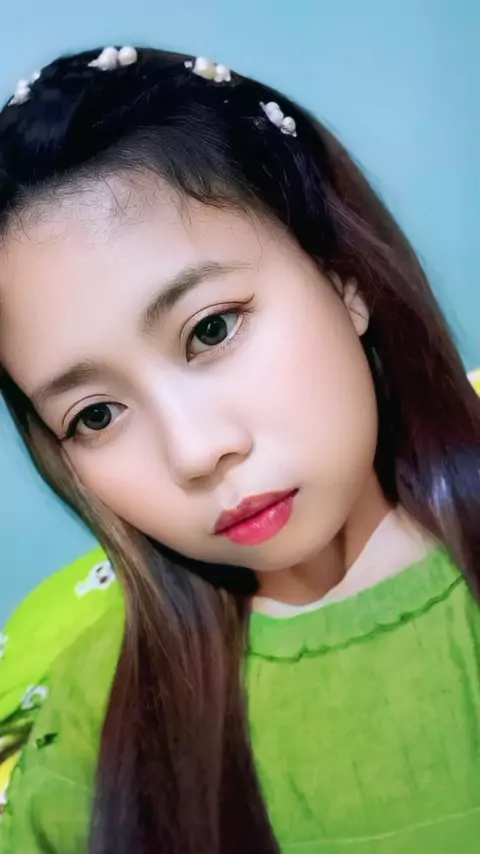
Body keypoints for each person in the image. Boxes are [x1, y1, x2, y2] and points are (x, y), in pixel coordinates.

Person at [0, 43, 478, 854]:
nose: (195, 453)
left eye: (212, 330)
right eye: (97, 415)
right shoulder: (93, 723)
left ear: (343, 279)